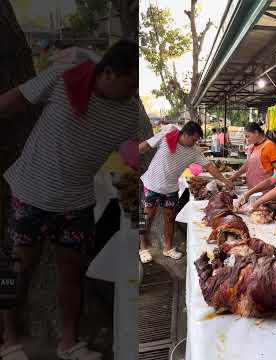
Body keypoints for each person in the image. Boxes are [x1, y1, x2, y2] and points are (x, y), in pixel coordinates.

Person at [0, 40, 140, 359]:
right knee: (17, 270)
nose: (134, 92)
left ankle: (68, 343)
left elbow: (131, 158)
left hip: (76, 203)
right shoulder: (66, 76)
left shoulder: (130, 112)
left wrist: (134, 206)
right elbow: (15, 100)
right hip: (30, 195)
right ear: (109, 73)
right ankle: (8, 341)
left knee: (72, 273)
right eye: (131, 83)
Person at [139, 121, 233, 261]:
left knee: (170, 218)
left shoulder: (195, 151)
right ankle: (143, 249)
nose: (195, 142)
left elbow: (209, 166)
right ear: (185, 135)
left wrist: (225, 181)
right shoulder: (166, 136)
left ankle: (168, 248)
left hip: (171, 189)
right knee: (147, 217)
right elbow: (145, 146)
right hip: (151, 185)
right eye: (194, 139)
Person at [229, 122, 276, 189]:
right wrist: (235, 175)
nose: (247, 139)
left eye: (248, 136)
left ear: (256, 133)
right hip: (251, 189)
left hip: (264, 191)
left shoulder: (270, 145)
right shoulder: (253, 146)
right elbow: (248, 165)